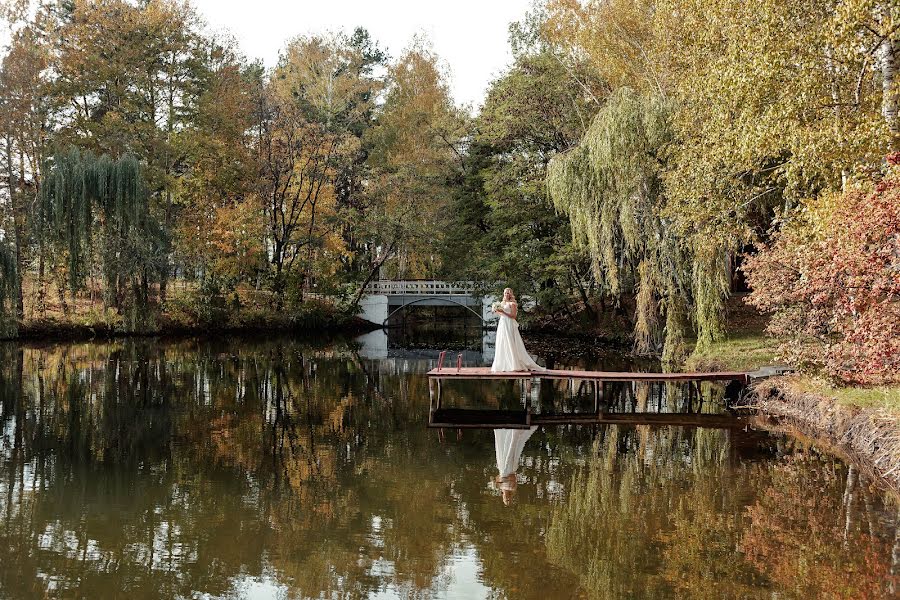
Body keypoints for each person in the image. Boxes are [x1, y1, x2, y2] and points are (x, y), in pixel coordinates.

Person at [491, 288, 544, 372]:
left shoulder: (513, 304)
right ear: (503, 294)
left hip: (509, 324)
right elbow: (501, 314)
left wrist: (503, 312)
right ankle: (503, 364)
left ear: (511, 294)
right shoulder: (502, 303)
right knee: (502, 342)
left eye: (508, 293)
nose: (506, 294)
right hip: (502, 324)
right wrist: (496, 311)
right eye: (505, 293)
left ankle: (514, 364)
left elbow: (513, 316)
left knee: (510, 342)